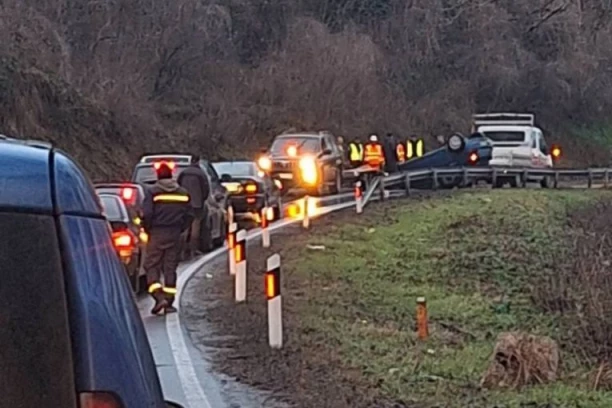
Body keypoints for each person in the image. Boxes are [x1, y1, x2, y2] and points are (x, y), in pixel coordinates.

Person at [142, 163, 194, 315]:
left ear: (158, 176)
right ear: (172, 175)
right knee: (170, 268)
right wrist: (181, 228)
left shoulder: (152, 192)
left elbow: (147, 214)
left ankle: (158, 296)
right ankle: (169, 302)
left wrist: (148, 229)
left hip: (157, 233)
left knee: (151, 266)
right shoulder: (183, 193)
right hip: (175, 233)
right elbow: (190, 215)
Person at [177, 155, 210, 258]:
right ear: (198, 161)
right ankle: (193, 250)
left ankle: (181, 251)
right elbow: (206, 189)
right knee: (195, 227)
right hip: (197, 204)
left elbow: (178, 186)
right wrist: (202, 199)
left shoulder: (183, 173)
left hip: (183, 204)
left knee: (184, 228)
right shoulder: (201, 173)